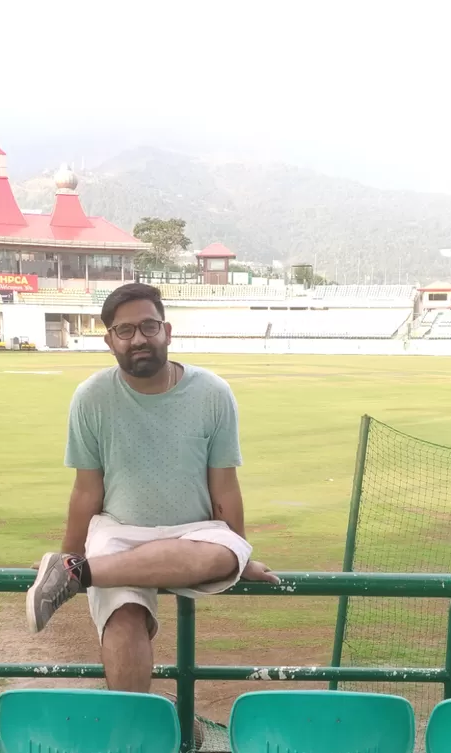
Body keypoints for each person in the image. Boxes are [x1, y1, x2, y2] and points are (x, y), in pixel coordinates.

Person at [26, 282, 278, 692]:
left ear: (168, 331)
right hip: (118, 531)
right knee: (123, 615)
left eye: (148, 326)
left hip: (194, 533)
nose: (138, 338)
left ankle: (76, 573)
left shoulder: (212, 393)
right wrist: (71, 548)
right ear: (109, 340)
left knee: (223, 553)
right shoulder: (92, 398)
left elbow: (225, 487)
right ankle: (135, 736)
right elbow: (87, 490)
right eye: (125, 331)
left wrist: (240, 557)